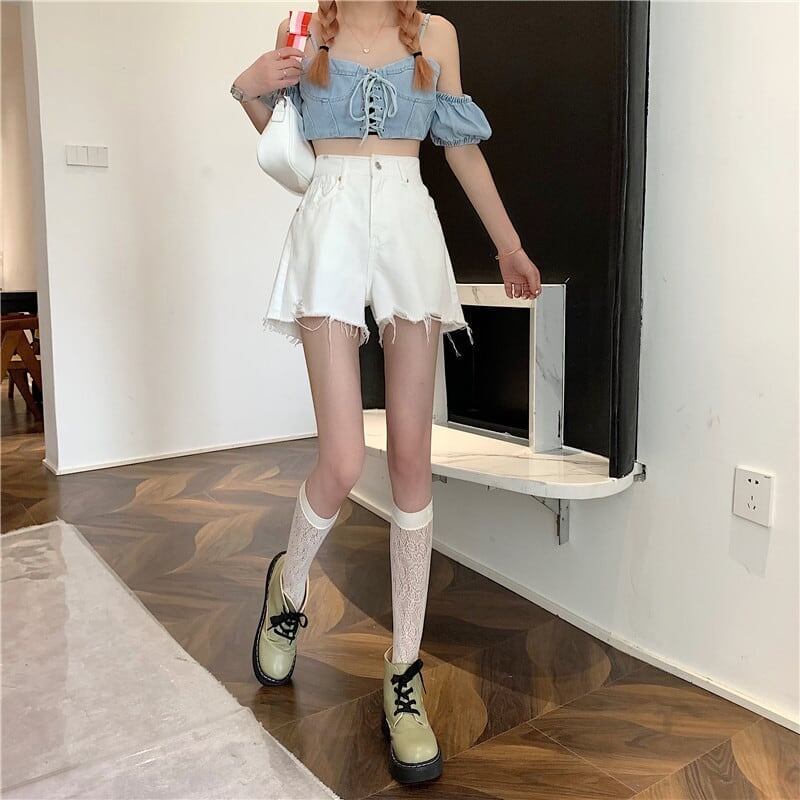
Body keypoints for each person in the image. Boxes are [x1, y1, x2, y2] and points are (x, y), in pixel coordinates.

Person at [232, 1, 541, 784]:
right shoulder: (304, 30)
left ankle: (404, 673)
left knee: (410, 460)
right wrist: (248, 89)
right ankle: (288, 591)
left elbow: (460, 148)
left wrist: (508, 245)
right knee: (341, 460)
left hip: (408, 227)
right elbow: (286, 147)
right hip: (329, 227)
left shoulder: (436, 35)